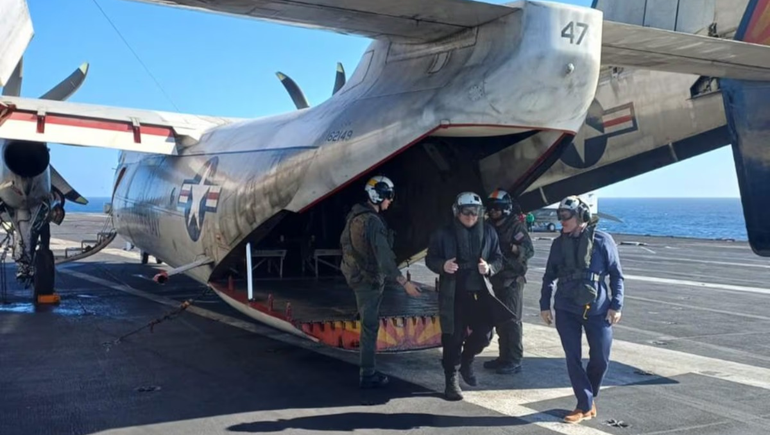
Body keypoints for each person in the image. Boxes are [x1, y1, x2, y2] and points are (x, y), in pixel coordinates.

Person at [540, 195, 624, 424]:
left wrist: (616, 305)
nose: (561, 221)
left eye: (566, 216)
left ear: (581, 216)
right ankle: (584, 404)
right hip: (566, 309)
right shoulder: (558, 244)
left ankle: (589, 399)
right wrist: (544, 305)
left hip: (598, 310)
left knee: (601, 358)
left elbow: (616, 275)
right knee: (573, 357)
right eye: (560, 216)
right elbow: (549, 276)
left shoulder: (603, 241)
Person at [426, 192, 514, 401]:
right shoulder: (443, 233)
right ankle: (451, 380)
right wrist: (442, 265)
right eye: (466, 212)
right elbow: (431, 258)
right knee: (453, 338)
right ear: (457, 211)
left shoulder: (489, 233)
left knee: (485, 335)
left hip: (480, 293)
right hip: (454, 294)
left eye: (475, 212)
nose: (471, 216)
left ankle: (467, 360)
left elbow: (498, 259)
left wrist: (489, 267)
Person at [340, 175, 422, 389]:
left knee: (367, 321)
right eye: (388, 197)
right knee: (370, 327)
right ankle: (367, 374)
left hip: (358, 277)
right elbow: (384, 258)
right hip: (368, 282)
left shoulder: (355, 216)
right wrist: (404, 283)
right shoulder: (373, 222)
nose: (390, 201)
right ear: (378, 196)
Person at [483, 189, 534, 374]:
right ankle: (503, 357)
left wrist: (512, 247)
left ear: (505, 209)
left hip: (512, 280)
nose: (493, 211)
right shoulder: (489, 225)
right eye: (490, 208)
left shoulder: (515, 226)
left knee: (512, 321)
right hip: (496, 278)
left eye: (496, 208)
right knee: (501, 320)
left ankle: (513, 360)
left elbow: (528, 250)